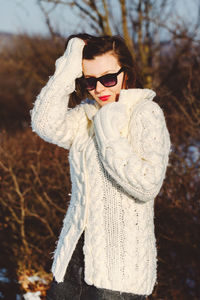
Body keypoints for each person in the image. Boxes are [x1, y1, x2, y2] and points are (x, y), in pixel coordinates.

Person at [30, 33, 171, 300]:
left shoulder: (145, 113)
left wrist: (108, 130)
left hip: (118, 277)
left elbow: (147, 184)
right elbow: (44, 123)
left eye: (108, 78)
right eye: (90, 81)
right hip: (71, 266)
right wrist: (70, 64)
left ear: (125, 73)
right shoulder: (86, 116)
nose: (100, 89)